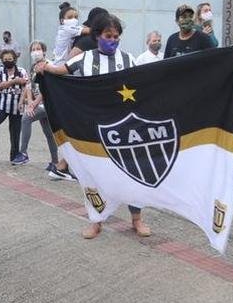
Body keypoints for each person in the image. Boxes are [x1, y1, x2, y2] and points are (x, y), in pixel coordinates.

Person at [37, 13, 152, 238]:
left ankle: (137, 219)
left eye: (116, 36)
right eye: (108, 36)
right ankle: (96, 220)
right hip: (94, 130)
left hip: (123, 130)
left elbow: (144, 82)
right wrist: (45, 67)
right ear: (98, 36)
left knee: (131, 175)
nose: (113, 40)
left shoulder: (129, 60)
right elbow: (62, 70)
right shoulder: (85, 58)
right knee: (93, 177)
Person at [15, 40, 58, 168]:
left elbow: (48, 88)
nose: (35, 52)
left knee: (26, 118)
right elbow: (28, 86)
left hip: (48, 104)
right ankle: (55, 162)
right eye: (33, 50)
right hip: (38, 104)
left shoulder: (49, 65)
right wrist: (29, 102)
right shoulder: (33, 66)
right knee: (49, 134)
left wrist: (34, 104)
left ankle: (23, 153)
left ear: (44, 51)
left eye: (38, 49)